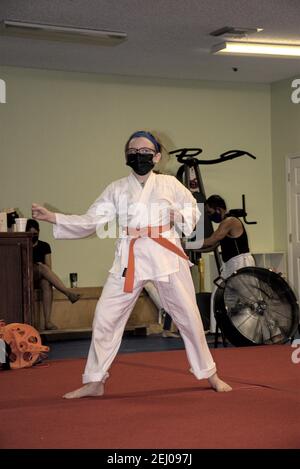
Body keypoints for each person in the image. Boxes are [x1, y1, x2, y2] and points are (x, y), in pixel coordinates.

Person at [32, 130, 232, 397]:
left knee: (189, 317)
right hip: (130, 257)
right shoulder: (116, 189)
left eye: (145, 152)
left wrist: (179, 214)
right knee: (105, 316)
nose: (139, 156)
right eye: (133, 152)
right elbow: (91, 221)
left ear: (157, 157)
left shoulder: (170, 185)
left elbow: (194, 213)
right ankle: (95, 381)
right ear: (126, 156)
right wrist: (53, 218)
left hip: (166, 255)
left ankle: (210, 374)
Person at [202, 195, 255, 333]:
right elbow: (211, 245)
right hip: (230, 264)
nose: (209, 216)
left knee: (247, 299)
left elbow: (212, 239)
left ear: (218, 209)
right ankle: (219, 331)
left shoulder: (230, 221)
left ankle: (259, 331)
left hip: (240, 262)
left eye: (209, 212)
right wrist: (189, 248)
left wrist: (185, 243)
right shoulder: (224, 224)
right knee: (218, 295)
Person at [26, 219, 81, 330]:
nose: (33, 236)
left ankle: (47, 322)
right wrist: (37, 265)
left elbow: (49, 268)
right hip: (27, 277)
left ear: (39, 232)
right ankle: (67, 293)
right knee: (41, 267)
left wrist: (40, 267)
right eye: (31, 233)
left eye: (35, 234)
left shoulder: (45, 246)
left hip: (41, 277)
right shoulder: (24, 245)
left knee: (46, 283)